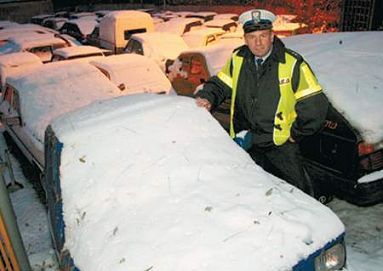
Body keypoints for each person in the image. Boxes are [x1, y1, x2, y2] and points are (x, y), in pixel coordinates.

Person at [195, 9, 329, 196]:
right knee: (253, 194)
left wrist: (295, 134)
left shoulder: (292, 63)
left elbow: (315, 105)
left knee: (296, 195)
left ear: (272, 36)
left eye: (263, 36)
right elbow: (221, 83)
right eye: (252, 37)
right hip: (246, 143)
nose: (258, 43)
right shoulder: (238, 58)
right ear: (245, 39)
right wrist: (207, 97)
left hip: (280, 149)